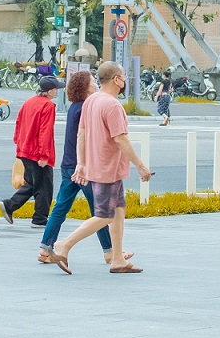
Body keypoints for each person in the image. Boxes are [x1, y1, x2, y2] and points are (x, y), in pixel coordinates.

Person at [48, 61, 152, 274]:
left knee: (119, 210)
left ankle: (117, 258)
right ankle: (63, 245)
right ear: (116, 80)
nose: (124, 81)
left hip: (102, 166)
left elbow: (81, 134)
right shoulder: (113, 105)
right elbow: (121, 140)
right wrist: (141, 166)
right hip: (107, 169)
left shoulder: (91, 100)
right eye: (123, 77)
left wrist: (81, 163)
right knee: (105, 215)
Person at [39, 70, 125, 265]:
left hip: (68, 164)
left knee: (61, 207)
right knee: (101, 211)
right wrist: (85, 164)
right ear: (85, 87)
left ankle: (45, 248)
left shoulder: (74, 107)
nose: (95, 85)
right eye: (93, 82)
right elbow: (85, 138)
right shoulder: (86, 107)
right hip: (83, 166)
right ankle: (109, 252)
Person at [2, 76, 61, 227]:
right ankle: (39, 219)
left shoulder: (29, 102)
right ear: (49, 91)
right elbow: (45, 132)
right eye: (55, 89)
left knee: (32, 184)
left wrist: (19, 142)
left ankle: (10, 205)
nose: (57, 91)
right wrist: (44, 155)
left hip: (25, 149)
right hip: (37, 152)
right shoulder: (48, 106)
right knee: (44, 187)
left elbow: (18, 123)